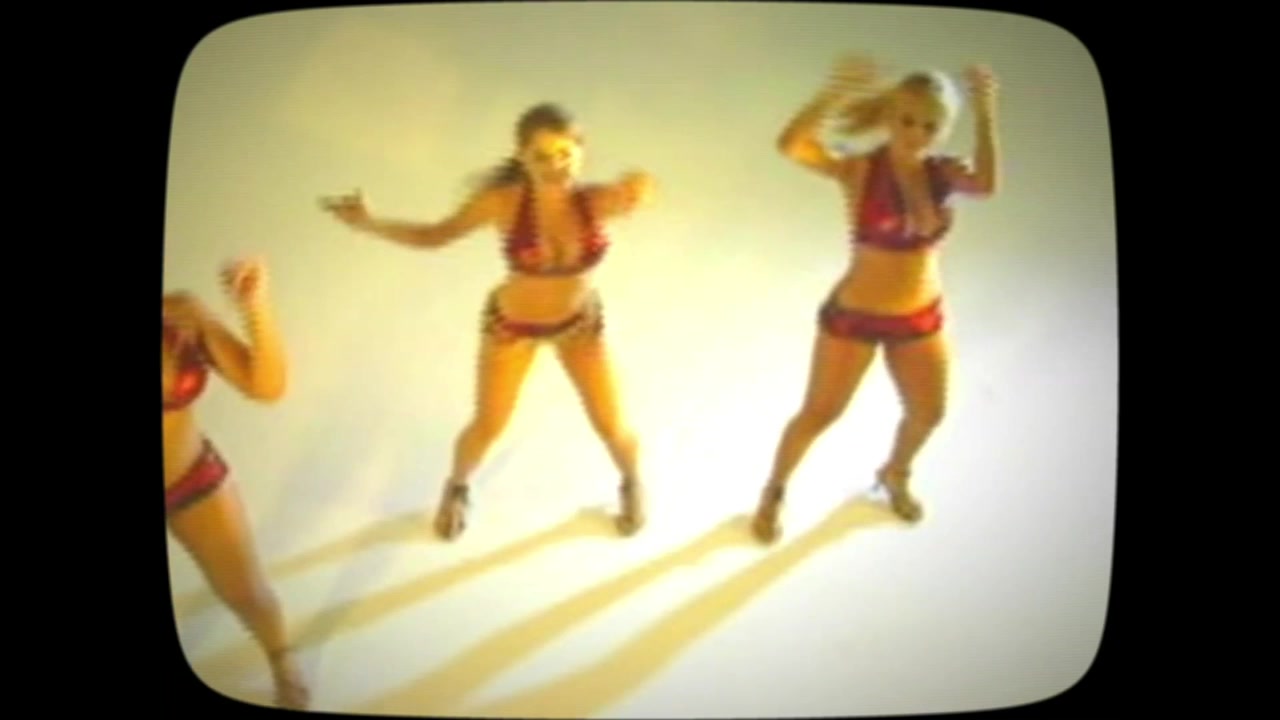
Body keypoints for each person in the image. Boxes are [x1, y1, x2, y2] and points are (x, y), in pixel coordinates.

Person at [320, 103, 655, 540]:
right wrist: (369, 223)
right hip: (511, 330)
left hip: (579, 326)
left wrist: (641, 186)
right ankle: (457, 487)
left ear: (581, 151)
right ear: (521, 157)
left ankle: (632, 482)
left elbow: (642, 190)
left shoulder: (596, 201)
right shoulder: (503, 203)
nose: (555, 167)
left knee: (612, 423)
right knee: (489, 425)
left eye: (564, 154)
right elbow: (434, 236)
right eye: (541, 156)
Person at [751, 56, 999, 542]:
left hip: (918, 319)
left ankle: (895, 472)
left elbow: (987, 187)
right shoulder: (861, 168)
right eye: (907, 120)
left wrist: (987, 115)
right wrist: (831, 96)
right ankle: (774, 490)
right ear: (888, 116)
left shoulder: (944, 173)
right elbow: (793, 146)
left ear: (944, 130)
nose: (916, 133)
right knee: (820, 413)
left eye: (930, 126)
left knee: (928, 413)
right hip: (855, 317)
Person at [162, 258, 308, 708]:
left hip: (190, 480)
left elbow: (266, 387)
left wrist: (255, 308)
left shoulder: (179, 313)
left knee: (249, 593)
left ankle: (281, 656)